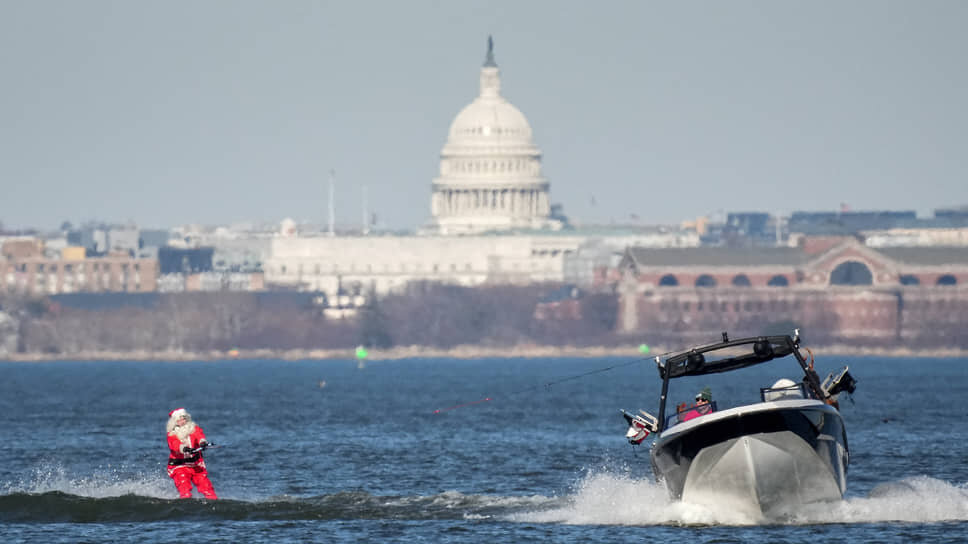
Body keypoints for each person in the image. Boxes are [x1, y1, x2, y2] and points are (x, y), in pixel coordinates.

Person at [166, 407, 218, 499]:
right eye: (180, 419)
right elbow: (174, 444)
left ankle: (213, 500)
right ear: (175, 422)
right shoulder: (172, 435)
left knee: (206, 485)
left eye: (184, 418)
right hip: (179, 466)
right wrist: (184, 448)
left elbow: (199, 435)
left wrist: (202, 442)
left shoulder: (193, 429)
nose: (183, 421)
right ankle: (185, 501)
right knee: (183, 484)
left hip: (196, 465)